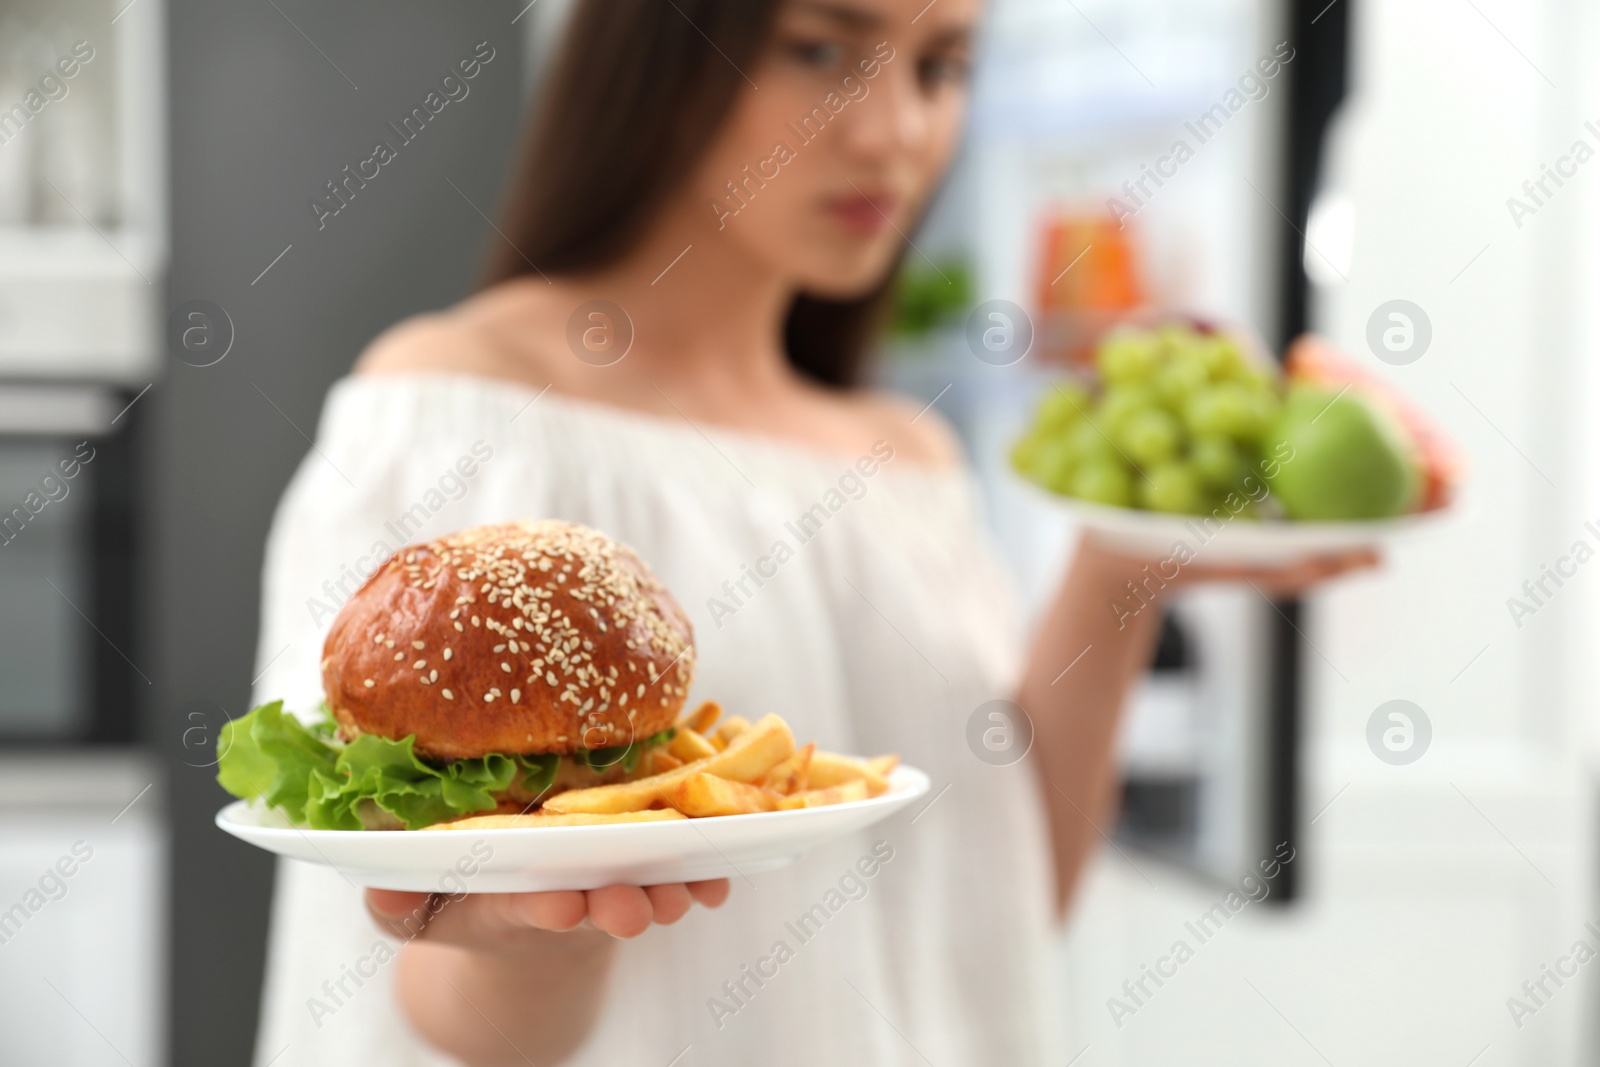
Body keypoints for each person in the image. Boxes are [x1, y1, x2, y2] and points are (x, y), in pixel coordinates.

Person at [249, 1, 1371, 1063]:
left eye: (941, 66)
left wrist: (1121, 574)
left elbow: (1003, 899)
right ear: (660, 49)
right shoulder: (452, 410)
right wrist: (550, 935)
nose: (897, 132)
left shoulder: (906, 454)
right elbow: (396, 1007)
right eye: (821, 50)